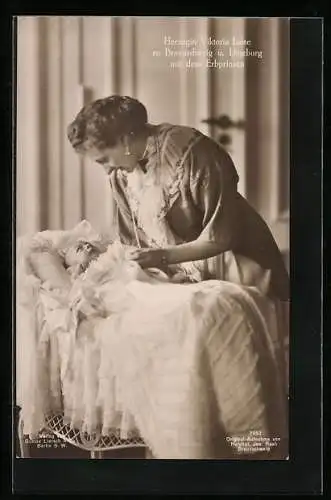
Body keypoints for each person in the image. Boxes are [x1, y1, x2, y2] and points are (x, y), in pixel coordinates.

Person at [67, 95, 289, 301]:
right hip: (181, 276)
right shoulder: (121, 174)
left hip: (236, 265)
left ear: (125, 140)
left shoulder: (192, 153)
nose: (107, 170)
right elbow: (133, 241)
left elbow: (221, 237)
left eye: (104, 159)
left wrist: (163, 257)